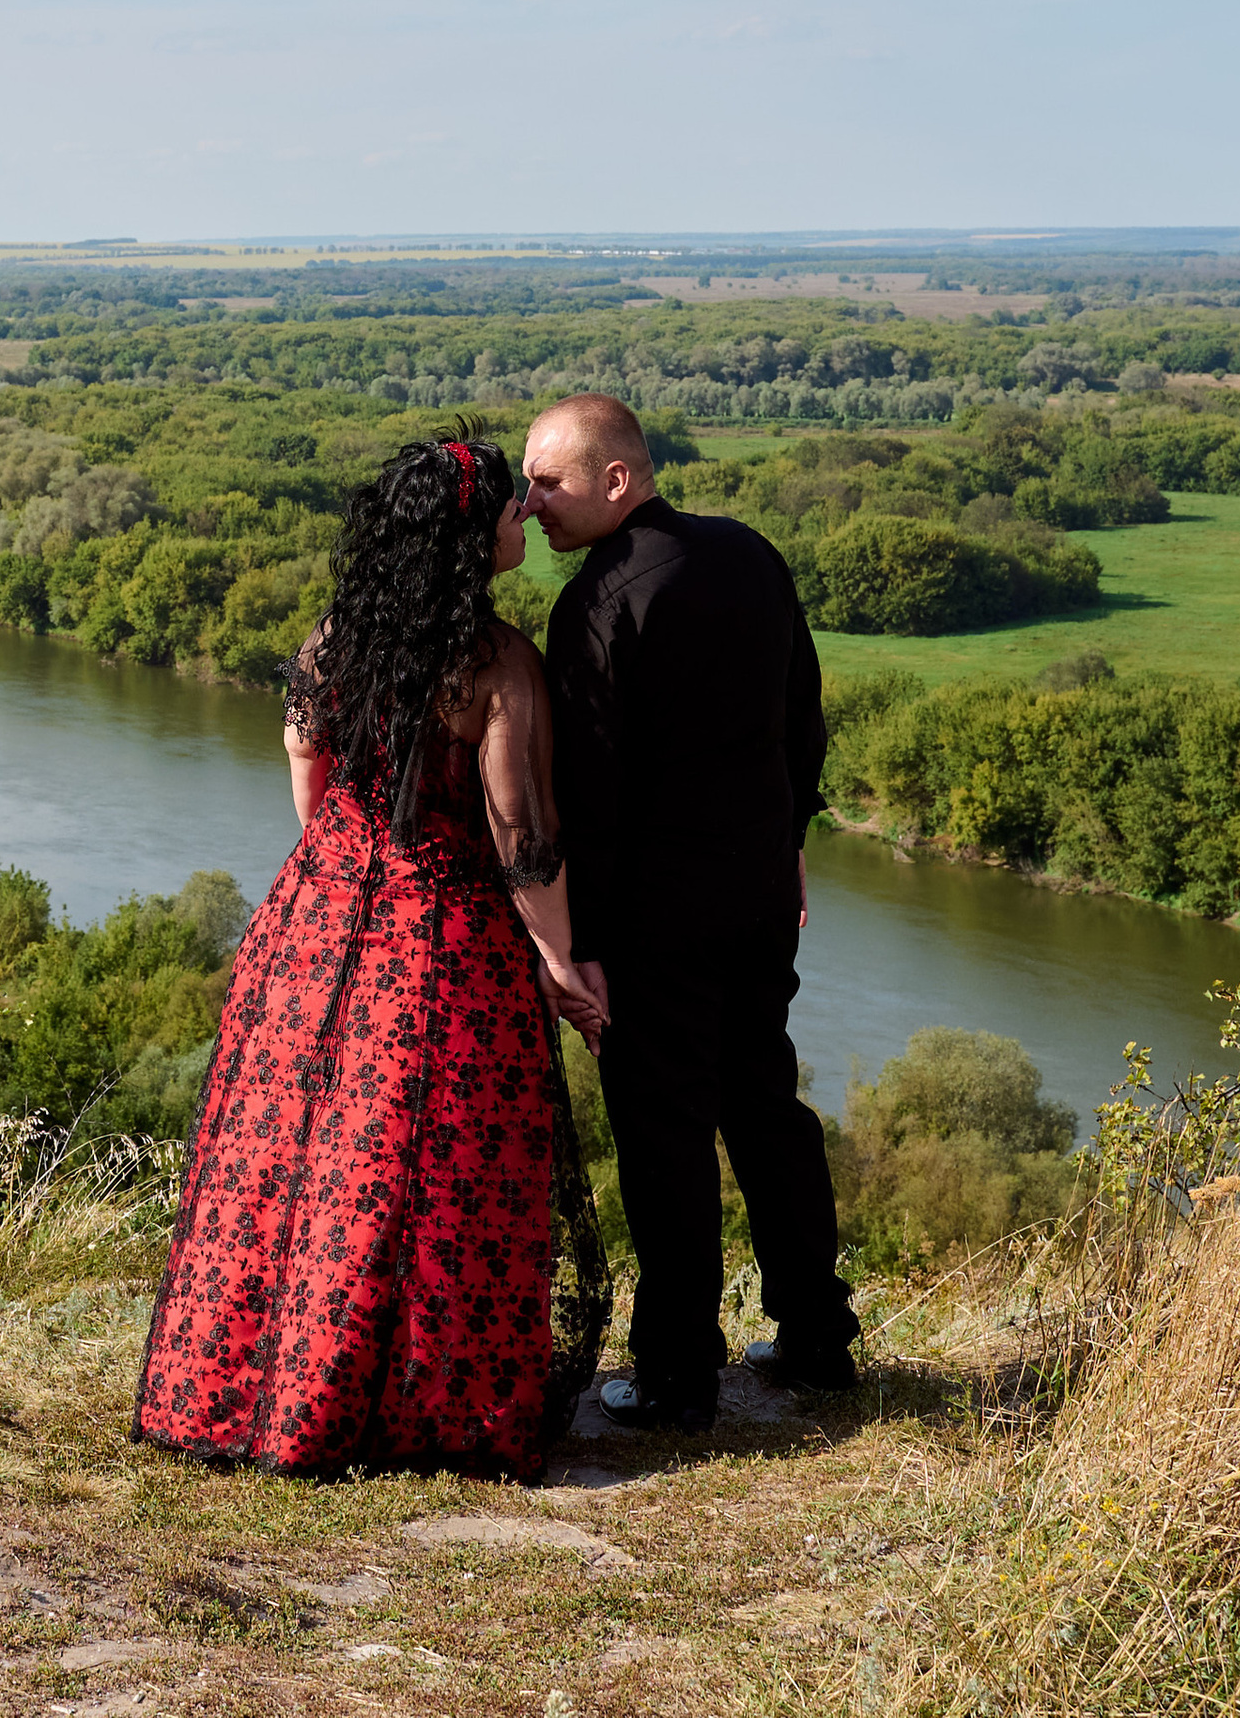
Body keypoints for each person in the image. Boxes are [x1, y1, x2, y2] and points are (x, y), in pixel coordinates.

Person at [134, 430, 611, 1481]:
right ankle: (415, 1407)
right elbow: (523, 843)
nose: (522, 517)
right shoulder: (496, 664)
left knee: (291, 1161)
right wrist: (565, 966)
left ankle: (253, 1384)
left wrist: (343, 878)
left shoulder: (329, 641)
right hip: (441, 950)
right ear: (466, 539)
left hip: (310, 930)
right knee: (428, 1177)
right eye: (506, 506)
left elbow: (308, 783)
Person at [524, 392, 858, 1434]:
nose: (530, 503)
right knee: (766, 1109)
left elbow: (586, 798)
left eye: (548, 481)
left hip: (654, 916)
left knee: (663, 1134)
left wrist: (578, 946)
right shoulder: (750, 554)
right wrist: (789, 844)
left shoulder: (594, 605)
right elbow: (799, 720)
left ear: (616, 478)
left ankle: (675, 1375)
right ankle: (818, 1341)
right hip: (756, 896)